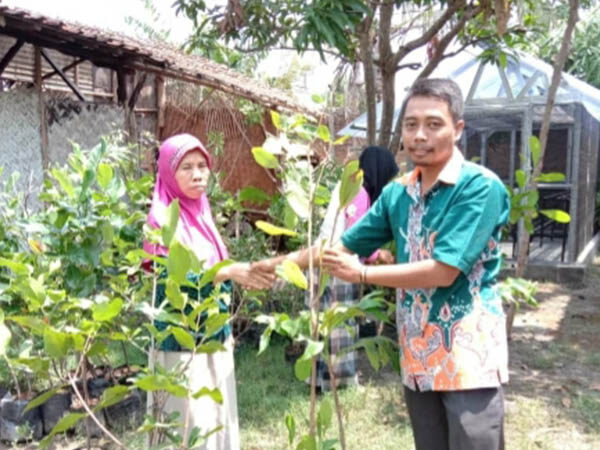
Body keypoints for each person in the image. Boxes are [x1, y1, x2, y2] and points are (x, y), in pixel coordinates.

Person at [259, 79, 509, 449]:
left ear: (457, 129)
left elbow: (444, 271)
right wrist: (270, 266)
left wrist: (362, 273)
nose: (419, 135)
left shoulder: (478, 187)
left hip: (468, 357)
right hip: (418, 355)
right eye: (411, 124)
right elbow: (338, 246)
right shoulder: (398, 193)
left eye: (433, 124)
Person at [143, 133, 274, 450]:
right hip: (180, 347)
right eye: (186, 167)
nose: (198, 174)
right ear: (168, 173)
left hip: (213, 338)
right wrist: (228, 271)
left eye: (202, 166)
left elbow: (214, 270)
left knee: (216, 424)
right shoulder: (161, 220)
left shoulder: (202, 214)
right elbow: (174, 281)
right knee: (189, 430)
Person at [309, 146, 398, 391]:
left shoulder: (349, 184)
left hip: (321, 258)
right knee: (340, 325)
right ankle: (341, 382)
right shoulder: (359, 191)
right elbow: (354, 236)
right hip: (337, 262)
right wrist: (379, 255)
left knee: (322, 325)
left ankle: (320, 381)